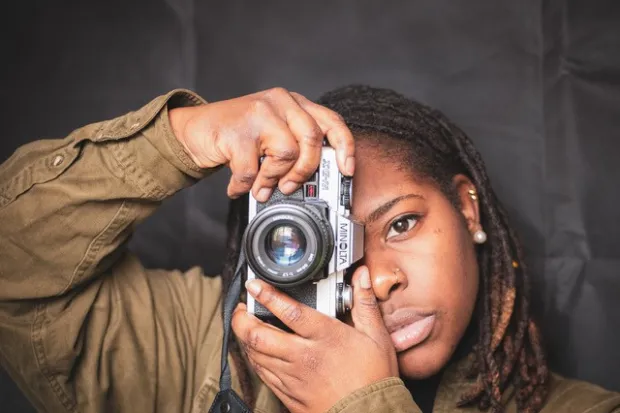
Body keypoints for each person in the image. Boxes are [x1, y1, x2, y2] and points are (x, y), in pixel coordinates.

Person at [0, 85, 618, 413]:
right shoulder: (203, 345)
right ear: (264, 244)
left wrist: (358, 405)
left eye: (400, 224)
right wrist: (184, 137)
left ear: (467, 208)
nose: (373, 283)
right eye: (328, 243)